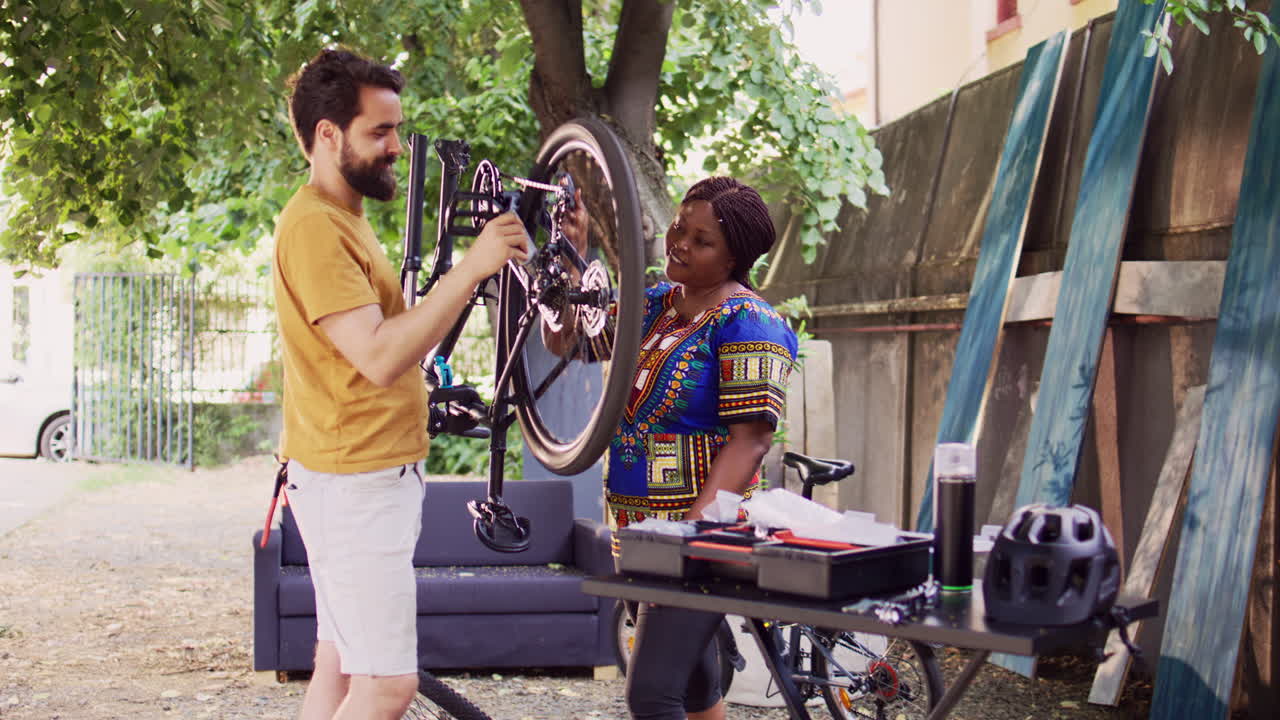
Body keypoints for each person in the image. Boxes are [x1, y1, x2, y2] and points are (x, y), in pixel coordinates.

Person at [271, 48, 529, 720]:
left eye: (396, 130)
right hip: (354, 481)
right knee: (387, 685)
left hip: (347, 472)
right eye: (378, 133)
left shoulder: (341, 217)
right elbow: (380, 357)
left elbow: (395, 339)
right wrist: (470, 269)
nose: (395, 149)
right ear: (328, 135)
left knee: (339, 660)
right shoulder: (316, 229)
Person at [561, 177, 798, 719]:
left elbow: (752, 442)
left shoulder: (750, 323)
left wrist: (689, 541)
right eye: (678, 227)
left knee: (651, 693)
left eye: (701, 239)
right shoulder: (653, 306)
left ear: (735, 257)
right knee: (693, 683)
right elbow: (572, 341)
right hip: (637, 531)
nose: (680, 243)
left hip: (699, 537)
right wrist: (573, 258)